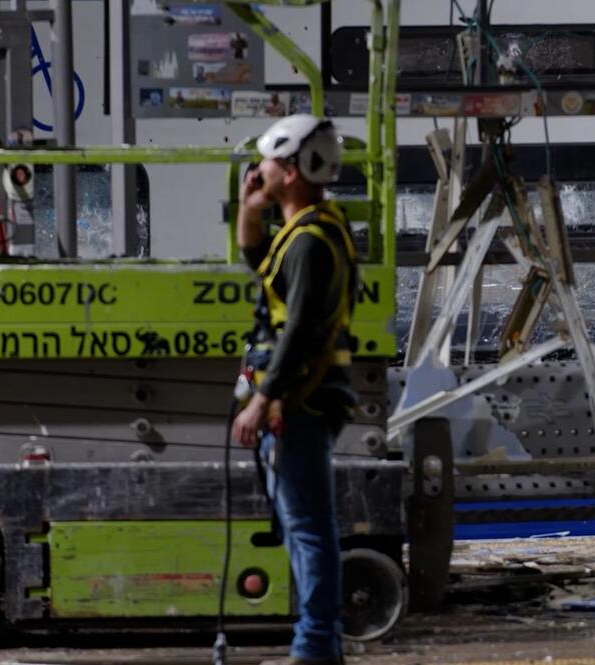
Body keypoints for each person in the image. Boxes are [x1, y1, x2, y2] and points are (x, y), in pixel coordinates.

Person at [232, 114, 356, 665]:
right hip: (298, 395)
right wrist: (248, 210)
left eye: (265, 163)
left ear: (289, 170)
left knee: (308, 529)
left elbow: (301, 328)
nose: (257, 171)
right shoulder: (305, 229)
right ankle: (316, 646)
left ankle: (315, 649)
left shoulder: (310, 240)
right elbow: (259, 263)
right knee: (301, 525)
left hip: (299, 398)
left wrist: (264, 399)